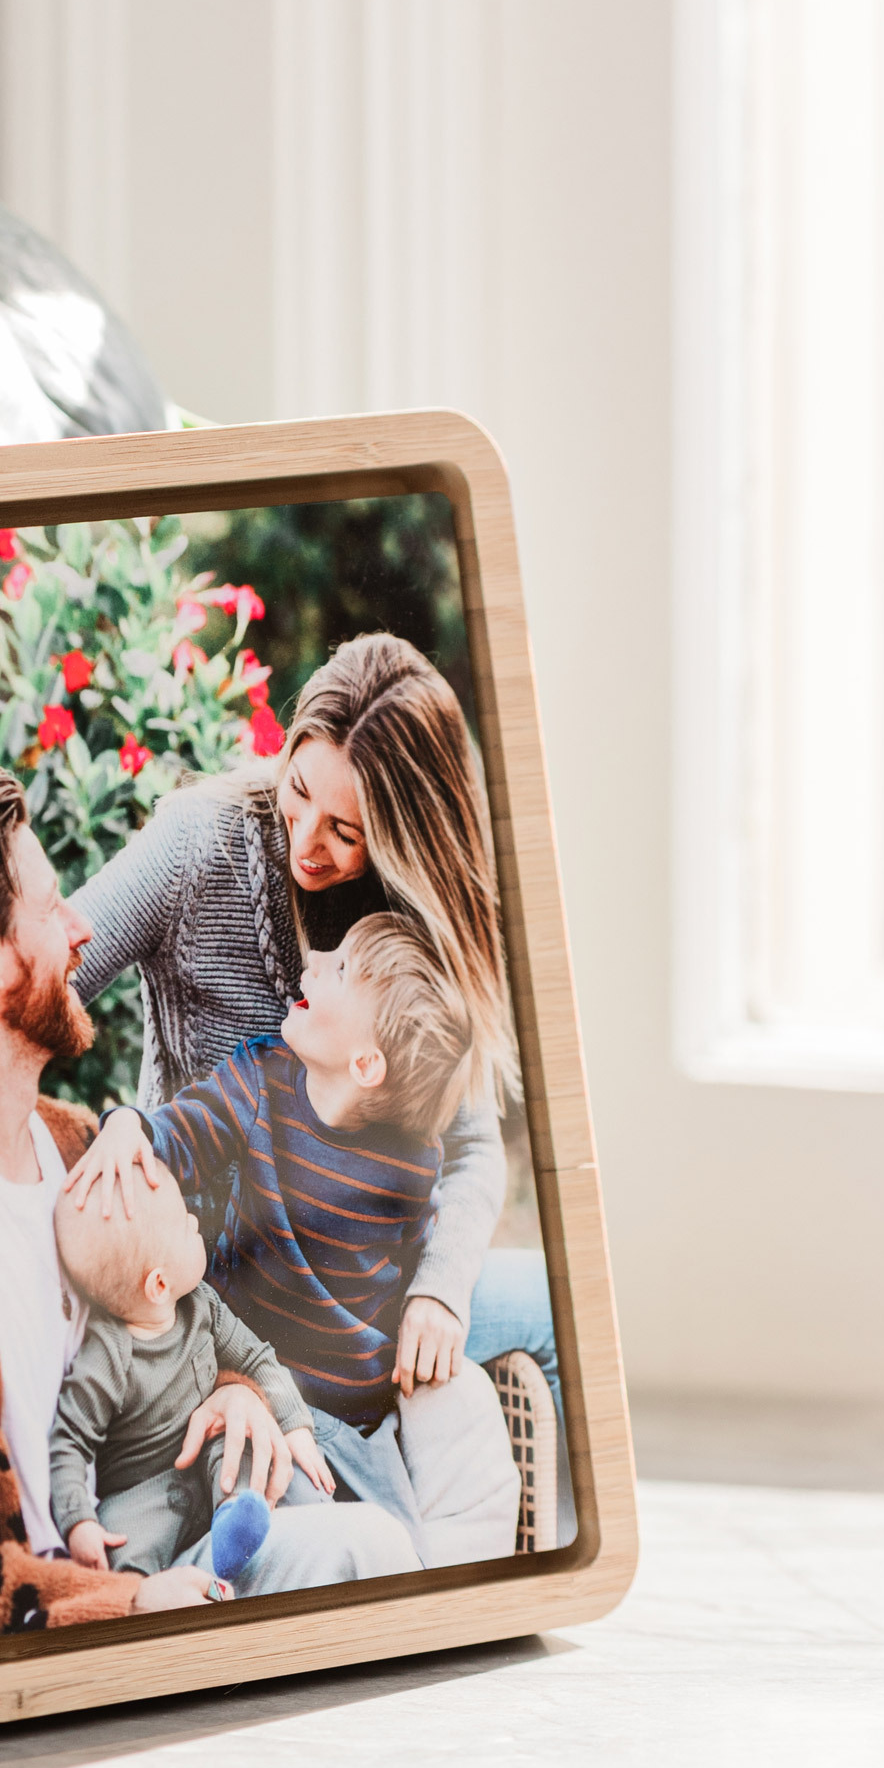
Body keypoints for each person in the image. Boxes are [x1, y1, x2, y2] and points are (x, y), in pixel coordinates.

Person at [0, 758, 420, 1634]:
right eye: (51, 910)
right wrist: (130, 1599)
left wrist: (235, 1391)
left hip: (187, 1541)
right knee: (373, 1553)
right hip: (80, 1610)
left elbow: (176, 1318)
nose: (82, 930)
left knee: (374, 1543)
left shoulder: (88, 1154)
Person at [69, 632, 567, 1512]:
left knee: (562, 1307)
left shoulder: (412, 920)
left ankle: (521, 1547)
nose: (306, 841)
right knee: (329, 1502)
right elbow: (49, 974)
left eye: (347, 831)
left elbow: (470, 1146)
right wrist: (99, 1135)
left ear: (406, 835)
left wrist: (439, 1294)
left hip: (371, 1286)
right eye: (297, 792)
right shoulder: (199, 845)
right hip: (233, 1299)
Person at [66, 915, 522, 1567]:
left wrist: (435, 1305)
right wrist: (126, 1128)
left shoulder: (414, 1161)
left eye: (340, 968)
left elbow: (409, 1266)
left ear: (366, 1064)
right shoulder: (259, 1079)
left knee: (398, 1547)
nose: (315, 959)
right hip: (248, 1384)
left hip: (357, 1416)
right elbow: (177, 1136)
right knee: (270, 1495)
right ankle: (214, 1551)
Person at [49, 1160, 332, 1583]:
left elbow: (256, 1358)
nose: (195, 1220)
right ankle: (145, 1592)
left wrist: (295, 1426)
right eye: (185, 1223)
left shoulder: (201, 1306)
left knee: (239, 1445)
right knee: (121, 1544)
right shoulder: (107, 1355)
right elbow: (69, 1441)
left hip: (212, 1459)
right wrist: (79, 1522)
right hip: (144, 1492)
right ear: (159, 1285)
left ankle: (235, 1523)